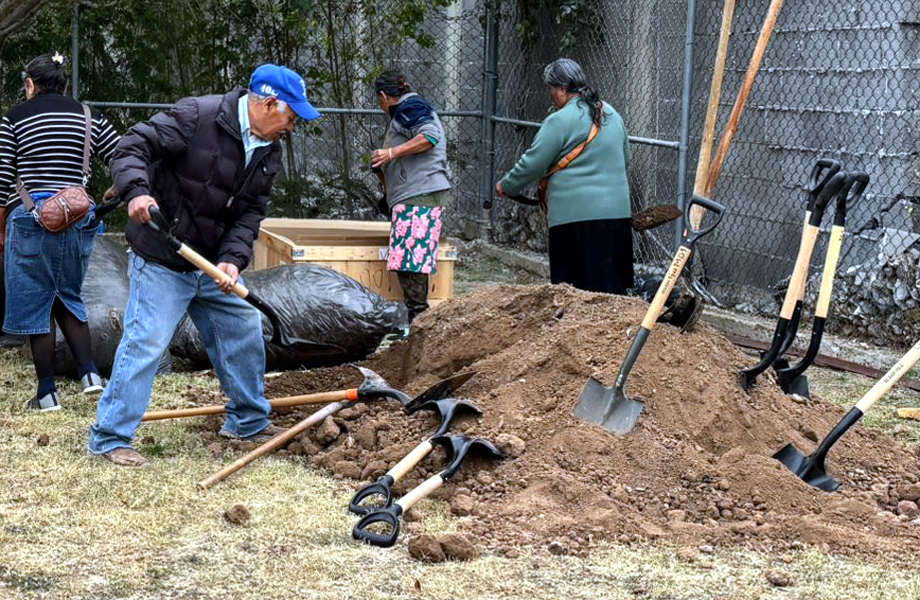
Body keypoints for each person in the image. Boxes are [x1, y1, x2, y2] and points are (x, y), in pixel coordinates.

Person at [88, 64, 321, 466]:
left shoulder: (269, 149)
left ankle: (247, 421)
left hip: (210, 264)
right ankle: (111, 437)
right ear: (269, 103)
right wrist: (138, 192)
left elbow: (249, 215)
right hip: (162, 255)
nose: (293, 125)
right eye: (291, 115)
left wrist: (232, 261)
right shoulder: (199, 116)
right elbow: (132, 147)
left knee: (244, 327)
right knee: (146, 342)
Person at [0, 52, 120, 411]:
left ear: (31, 85)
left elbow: (2, 179)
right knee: (68, 294)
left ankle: (47, 393)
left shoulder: (13, 119)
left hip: (30, 220)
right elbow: (123, 155)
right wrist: (113, 197)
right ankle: (90, 374)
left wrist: (1, 229)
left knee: (38, 304)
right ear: (65, 85)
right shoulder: (89, 116)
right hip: (79, 221)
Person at [495, 58, 633, 294]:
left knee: (573, 295)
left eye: (550, 90)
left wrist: (507, 185)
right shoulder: (611, 114)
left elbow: (533, 163)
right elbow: (625, 159)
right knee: (613, 296)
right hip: (618, 218)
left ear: (560, 89)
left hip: (574, 221)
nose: (551, 96)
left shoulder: (558, 121)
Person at [370, 70, 451, 325]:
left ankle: (419, 324)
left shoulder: (410, 108)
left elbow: (430, 136)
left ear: (383, 96)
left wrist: (391, 153)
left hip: (420, 195)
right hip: (415, 193)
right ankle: (415, 322)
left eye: (378, 100)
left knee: (412, 264)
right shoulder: (409, 109)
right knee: (408, 261)